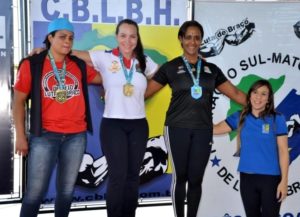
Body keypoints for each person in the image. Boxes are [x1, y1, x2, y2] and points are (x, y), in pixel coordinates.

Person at [145, 20, 246, 217]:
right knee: (180, 177)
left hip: (202, 129)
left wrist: (262, 105)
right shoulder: (170, 67)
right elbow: (146, 92)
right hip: (176, 128)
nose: (192, 42)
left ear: (201, 41)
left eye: (197, 38)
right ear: (181, 40)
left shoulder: (212, 70)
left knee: (196, 179)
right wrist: (118, 92)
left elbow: (234, 92)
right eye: (188, 37)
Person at [68, 19, 158, 217]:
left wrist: (143, 94)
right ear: (117, 37)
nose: (128, 40)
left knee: (134, 176)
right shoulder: (104, 57)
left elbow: (159, 76)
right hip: (113, 125)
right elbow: (72, 53)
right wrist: (45, 51)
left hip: (138, 125)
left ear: (137, 38)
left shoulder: (144, 61)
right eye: (123, 35)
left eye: (132, 36)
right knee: (118, 176)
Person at [13, 18, 101, 217]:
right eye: (62, 37)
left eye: (71, 38)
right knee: (35, 192)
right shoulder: (32, 64)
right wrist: (20, 136)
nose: (67, 41)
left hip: (76, 136)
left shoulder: (78, 65)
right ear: (50, 38)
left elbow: (103, 77)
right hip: (45, 135)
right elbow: (18, 102)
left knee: (66, 191)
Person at [213, 79, 289, 217]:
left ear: (268, 99)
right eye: (255, 92)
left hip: (271, 179)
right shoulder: (240, 116)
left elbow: (284, 151)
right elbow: (215, 129)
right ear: (249, 95)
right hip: (247, 179)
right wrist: (192, 118)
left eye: (263, 94)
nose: (258, 97)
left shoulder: (277, 118)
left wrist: (284, 181)